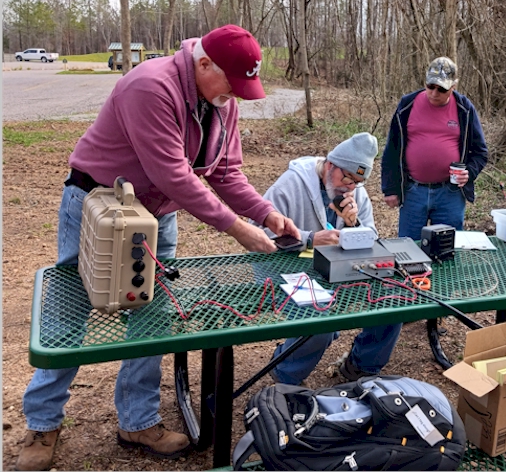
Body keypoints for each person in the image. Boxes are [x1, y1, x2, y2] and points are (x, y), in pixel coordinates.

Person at [16, 24, 300, 471]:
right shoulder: (150, 86)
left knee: (150, 313)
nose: (237, 96)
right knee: (70, 309)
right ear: (203, 63)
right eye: (232, 83)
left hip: (155, 216)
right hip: (99, 204)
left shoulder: (223, 103)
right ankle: (43, 422)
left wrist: (265, 214)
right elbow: (173, 173)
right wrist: (236, 228)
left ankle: (137, 420)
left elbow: (226, 172)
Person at [256, 133, 399, 384]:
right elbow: (260, 236)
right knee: (321, 322)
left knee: (393, 299)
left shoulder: (356, 194)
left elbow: (371, 242)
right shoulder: (291, 184)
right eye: (346, 177)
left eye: (357, 182)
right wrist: (309, 238)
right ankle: (285, 374)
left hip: (336, 272)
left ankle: (361, 367)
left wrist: (354, 225)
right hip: (286, 271)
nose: (349, 186)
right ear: (330, 164)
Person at [381, 56, 488, 241]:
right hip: (413, 191)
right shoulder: (407, 105)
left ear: (453, 87)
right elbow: (392, 149)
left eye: (442, 89)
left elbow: (480, 152)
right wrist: (390, 188)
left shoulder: (465, 109)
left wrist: (469, 172)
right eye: (430, 86)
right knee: (408, 247)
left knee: (447, 247)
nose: (434, 93)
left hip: (450, 193)